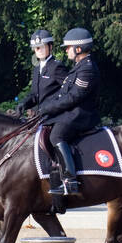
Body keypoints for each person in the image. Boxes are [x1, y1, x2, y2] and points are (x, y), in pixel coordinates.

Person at [35, 27, 102, 196]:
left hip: (82, 114)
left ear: (78, 49)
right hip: (73, 112)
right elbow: (62, 93)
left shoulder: (87, 68)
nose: (66, 50)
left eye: (68, 47)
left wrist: (48, 108)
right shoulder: (78, 67)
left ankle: (70, 180)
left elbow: (74, 97)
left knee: (56, 135)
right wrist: (44, 108)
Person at [14, 29, 68, 118]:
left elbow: (68, 92)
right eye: (37, 47)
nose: (39, 50)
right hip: (40, 116)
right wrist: (24, 103)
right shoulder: (37, 69)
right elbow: (35, 95)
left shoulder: (57, 67)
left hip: (55, 116)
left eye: (42, 47)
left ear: (50, 47)